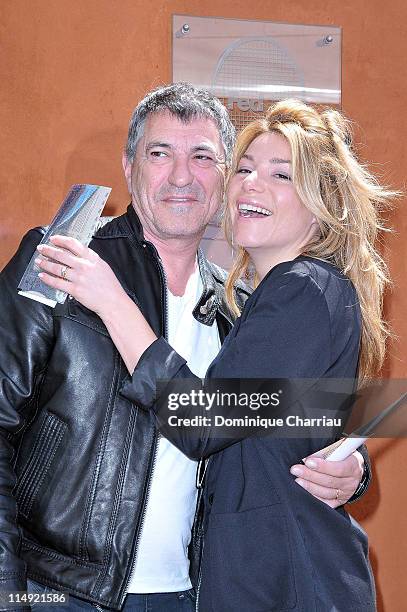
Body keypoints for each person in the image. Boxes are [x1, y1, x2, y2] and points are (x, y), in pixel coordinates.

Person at [1, 85, 367, 611]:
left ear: (221, 180)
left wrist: (351, 472)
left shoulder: (243, 304)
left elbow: (273, 423)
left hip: (193, 594)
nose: (180, 176)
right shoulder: (63, 259)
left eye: (202, 157)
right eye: (160, 153)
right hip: (59, 592)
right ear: (129, 167)